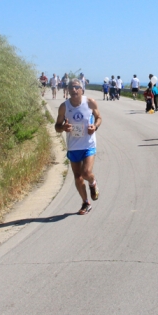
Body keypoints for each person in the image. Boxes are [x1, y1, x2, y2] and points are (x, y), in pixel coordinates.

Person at [54, 78, 102, 215]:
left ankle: (93, 183)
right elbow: (57, 127)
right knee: (77, 177)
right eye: (71, 88)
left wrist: (95, 126)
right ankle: (86, 203)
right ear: (67, 90)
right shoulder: (64, 106)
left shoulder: (90, 102)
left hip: (88, 144)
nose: (73, 90)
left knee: (86, 173)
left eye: (76, 87)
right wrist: (63, 127)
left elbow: (99, 118)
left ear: (82, 89)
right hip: (73, 146)